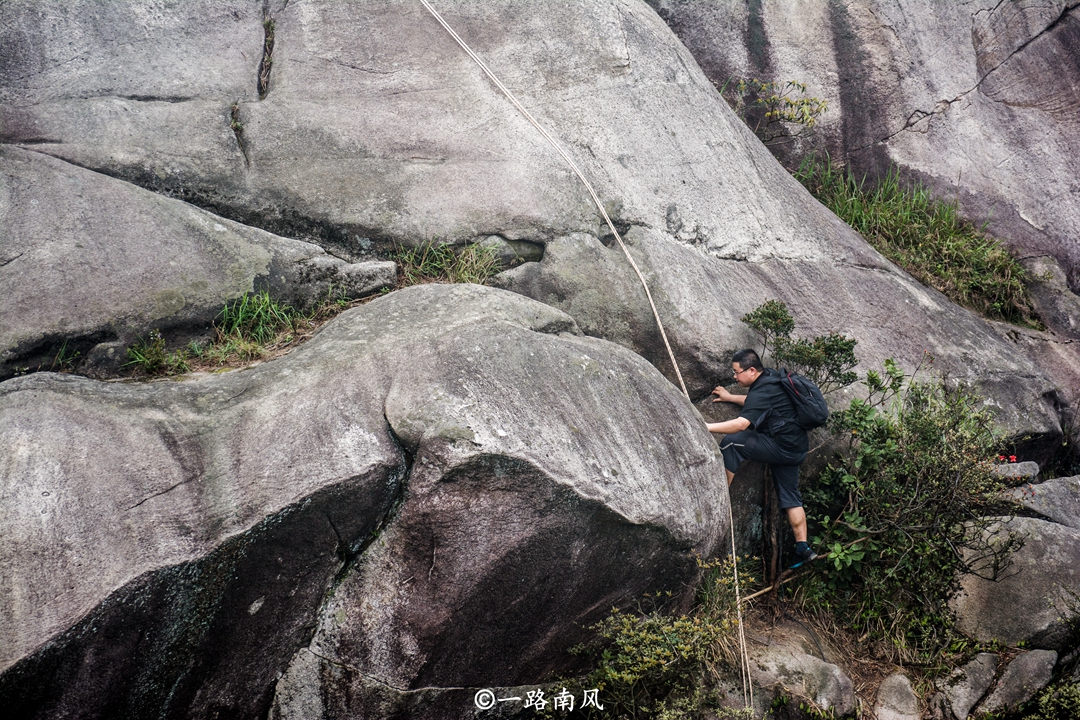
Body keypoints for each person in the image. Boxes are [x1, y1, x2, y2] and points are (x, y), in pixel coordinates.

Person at [706, 348, 816, 566]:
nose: (734, 377)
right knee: (791, 496)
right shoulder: (773, 379)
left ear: (752, 370)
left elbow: (741, 424)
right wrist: (730, 397)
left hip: (780, 447)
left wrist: (705, 426)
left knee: (733, 442)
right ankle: (803, 547)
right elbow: (756, 403)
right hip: (796, 449)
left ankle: (718, 500)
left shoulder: (762, 390)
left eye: (737, 372)